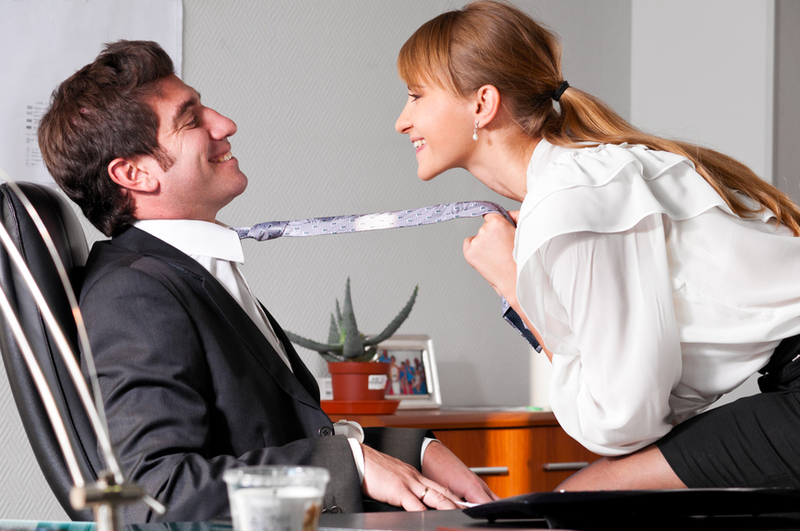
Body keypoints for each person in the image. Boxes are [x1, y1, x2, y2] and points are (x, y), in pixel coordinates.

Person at [37, 40, 496, 523]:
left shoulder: (185, 272)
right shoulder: (133, 295)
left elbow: (275, 434)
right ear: (133, 173)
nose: (224, 125)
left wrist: (416, 449)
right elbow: (153, 492)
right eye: (191, 120)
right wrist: (351, 464)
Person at [394, 1, 800, 491]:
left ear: (482, 103)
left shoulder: (571, 198)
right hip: (786, 378)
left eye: (416, 96)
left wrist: (514, 287)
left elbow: (620, 424)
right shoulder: (580, 180)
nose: (402, 121)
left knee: (576, 502)